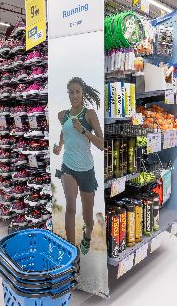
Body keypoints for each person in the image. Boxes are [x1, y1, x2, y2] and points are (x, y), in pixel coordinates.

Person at [53, 77, 104, 255]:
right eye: (71, 92)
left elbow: (102, 144)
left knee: (88, 219)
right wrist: (59, 147)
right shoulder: (62, 115)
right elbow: (64, 133)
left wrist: (83, 131)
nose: (74, 95)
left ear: (82, 94)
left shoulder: (89, 114)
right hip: (68, 166)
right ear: (68, 94)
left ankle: (87, 235)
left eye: (77, 92)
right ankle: (71, 251)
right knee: (71, 207)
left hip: (87, 170)